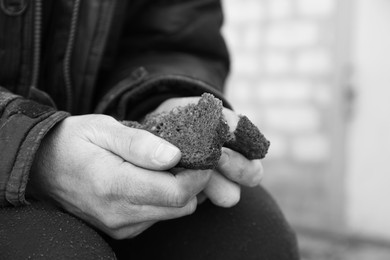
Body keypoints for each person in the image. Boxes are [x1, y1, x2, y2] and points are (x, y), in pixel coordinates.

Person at [0, 0, 299, 259]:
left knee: (254, 237)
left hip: (110, 128)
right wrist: (33, 148)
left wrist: (158, 99)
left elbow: (174, 39)